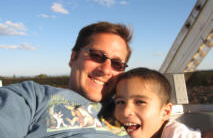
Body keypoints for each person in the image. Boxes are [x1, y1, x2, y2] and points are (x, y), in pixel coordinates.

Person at [0, 21, 133, 138]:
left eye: (117, 64)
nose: (106, 70)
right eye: (97, 56)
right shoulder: (32, 97)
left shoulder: (128, 109)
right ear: (72, 58)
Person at [114, 67, 203, 138]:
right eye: (121, 102)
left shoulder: (175, 133)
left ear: (165, 112)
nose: (125, 112)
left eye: (140, 102)